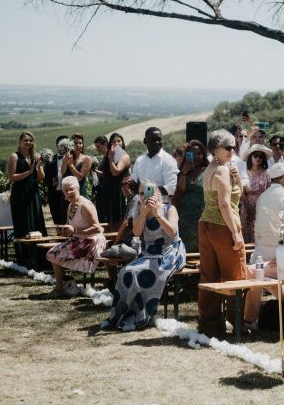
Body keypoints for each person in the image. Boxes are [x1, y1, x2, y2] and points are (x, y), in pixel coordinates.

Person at [101, 181, 186, 331]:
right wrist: (145, 213)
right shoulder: (140, 211)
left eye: (149, 192)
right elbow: (136, 232)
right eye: (141, 193)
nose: (144, 195)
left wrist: (157, 214)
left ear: (157, 193)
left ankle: (142, 314)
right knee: (126, 271)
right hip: (151, 251)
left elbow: (172, 232)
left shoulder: (169, 209)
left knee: (150, 272)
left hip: (170, 250)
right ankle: (119, 314)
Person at [242, 162, 284, 332]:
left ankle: (250, 320)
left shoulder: (263, 196)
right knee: (259, 277)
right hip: (277, 255)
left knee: (256, 276)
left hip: (264, 254)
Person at [198, 129, 246, 338]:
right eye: (227, 147)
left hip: (205, 224)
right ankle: (237, 323)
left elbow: (235, 196)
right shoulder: (222, 170)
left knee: (209, 275)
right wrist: (235, 232)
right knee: (235, 276)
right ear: (215, 149)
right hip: (223, 226)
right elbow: (225, 204)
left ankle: (209, 324)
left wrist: (237, 180)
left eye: (234, 147)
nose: (232, 150)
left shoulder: (210, 169)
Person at [45, 176, 107, 298]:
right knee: (52, 253)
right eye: (65, 190)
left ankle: (59, 288)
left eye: (71, 189)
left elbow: (98, 228)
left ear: (78, 188)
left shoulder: (85, 205)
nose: (68, 193)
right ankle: (64, 284)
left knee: (54, 254)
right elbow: (72, 228)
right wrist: (65, 231)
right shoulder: (70, 206)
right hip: (78, 240)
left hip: (91, 242)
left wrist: (75, 231)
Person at [8, 132, 47, 266]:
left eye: (30, 140)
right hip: (19, 194)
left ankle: (39, 258)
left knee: (36, 222)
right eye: (25, 140)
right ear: (20, 142)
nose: (28, 142)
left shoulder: (35, 156)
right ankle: (24, 258)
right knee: (22, 223)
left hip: (33, 193)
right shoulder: (14, 157)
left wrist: (40, 166)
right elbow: (12, 177)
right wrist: (29, 172)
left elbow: (41, 178)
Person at [173, 140, 209, 252]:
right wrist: (184, 171)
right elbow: (180, 190)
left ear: (204, 155)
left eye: (199, 153)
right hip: (185, 217)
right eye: (192, 154)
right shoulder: (183, 171)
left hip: (202, 215)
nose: (197, 157)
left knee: (202, 247)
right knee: (186, 248)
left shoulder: (208, 171)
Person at [131, 127, 179, 201]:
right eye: (153, 140)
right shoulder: (139, 161)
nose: (157, 142)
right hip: (142, 208)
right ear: (145, 141)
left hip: (162, 208)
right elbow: (134, 185)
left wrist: (147, 192)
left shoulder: (168, 160)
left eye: (159, 140)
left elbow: (171, 188)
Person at [240, 144, 272, 243]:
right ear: (251, 157)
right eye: (255, 156)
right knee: (247, 233)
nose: (258, 158)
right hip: (247, 207)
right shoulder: (244, 172)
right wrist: (248, 207)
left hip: (263, 207)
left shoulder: (267, 173)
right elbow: (241, 192)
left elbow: (270, 191)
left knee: (261, 235)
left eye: (261, 156)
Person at [97, 133, 131, 227]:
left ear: (122, 143)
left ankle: (117, 241)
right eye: (113, 141)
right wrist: (101, 174)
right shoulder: (108, 155)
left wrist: (111, 158)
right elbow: (108, 173)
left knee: (117, 222)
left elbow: (115, 172)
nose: (116, 143)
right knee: (106, 223)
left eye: (119, 141)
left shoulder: (124, 156)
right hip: (107, 192)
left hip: (118, 193)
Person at [44, 135, 69, 225]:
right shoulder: (50, 160)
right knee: (56, 220)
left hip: (68, 194)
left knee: (68, 220)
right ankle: (59, 238)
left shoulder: (72, 159)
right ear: (57, 145)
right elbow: (45, 179)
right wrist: (52, 180)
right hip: (54, 194)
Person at [62, 133, 90, 197]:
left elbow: (80, 178)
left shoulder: (86, 159)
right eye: (75, 143)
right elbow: (63, 173)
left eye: (80, 143)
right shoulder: (66, 157)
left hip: (80, 194)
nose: (78, 145)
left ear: (83, 145)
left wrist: (71, 165)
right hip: (67, 194)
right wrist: (64, 162)